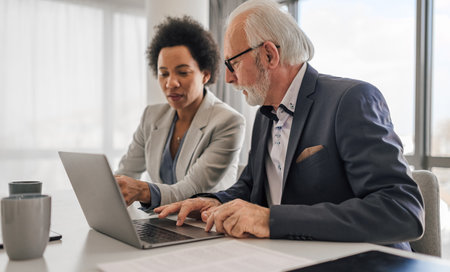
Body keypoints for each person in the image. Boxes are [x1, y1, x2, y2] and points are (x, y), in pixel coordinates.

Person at [155, 0, 424, 251]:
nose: (227, 78)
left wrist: (271, 220)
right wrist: (216, 201)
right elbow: (251, 186)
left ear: (269, 55)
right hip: (292, 257)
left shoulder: (351, 100)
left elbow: (402, 210)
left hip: (364, 269)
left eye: (233, 63)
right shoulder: (264, 113)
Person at [115, 16, 245, 211]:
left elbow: (190, 190)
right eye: (164, 73)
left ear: (205, 74)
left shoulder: (228, 122)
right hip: (161, 223)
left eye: (183, 73)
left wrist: (142, 191)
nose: (171, 83)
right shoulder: (151, 117)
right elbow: (125, 172)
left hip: (206, 228)